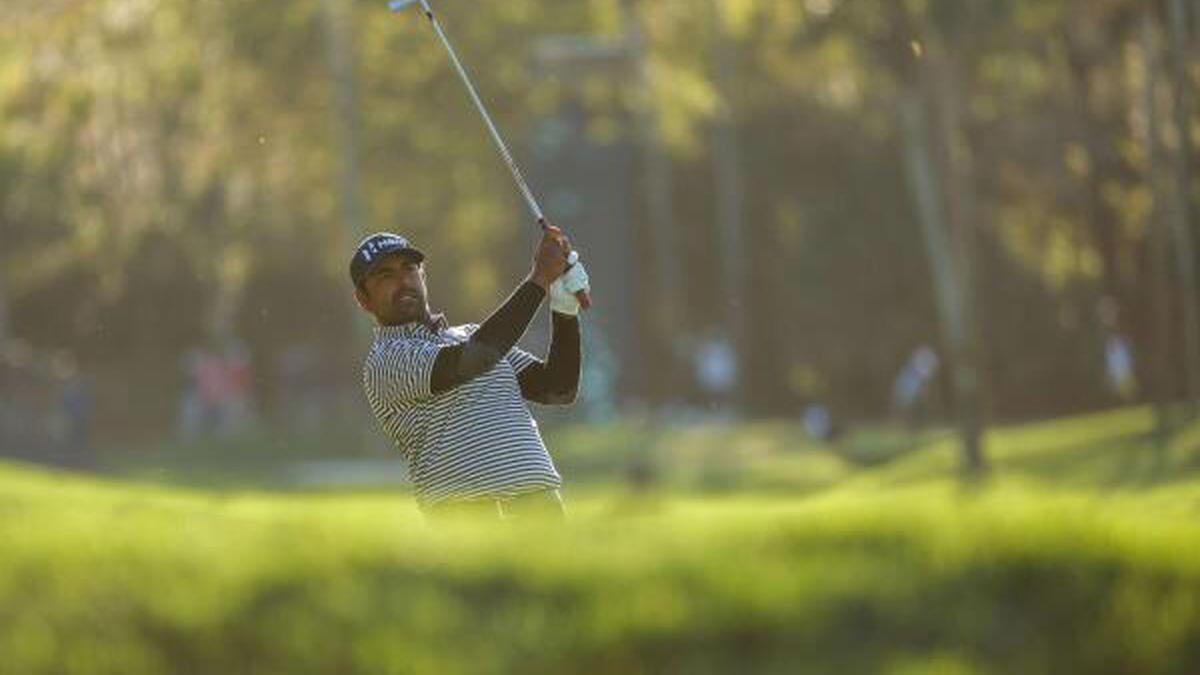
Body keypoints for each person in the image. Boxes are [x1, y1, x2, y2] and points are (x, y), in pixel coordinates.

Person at [351, 226, 590, 519]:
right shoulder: (386, 361)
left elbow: (558, 389)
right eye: (385, 275)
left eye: (409, 269)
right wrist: (540, 278)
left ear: (423, 276)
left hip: (542, 509)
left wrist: (564, 309)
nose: (402, 281)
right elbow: (475, 358)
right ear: (363, 299)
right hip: (466, 517)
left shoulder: (471, 335)